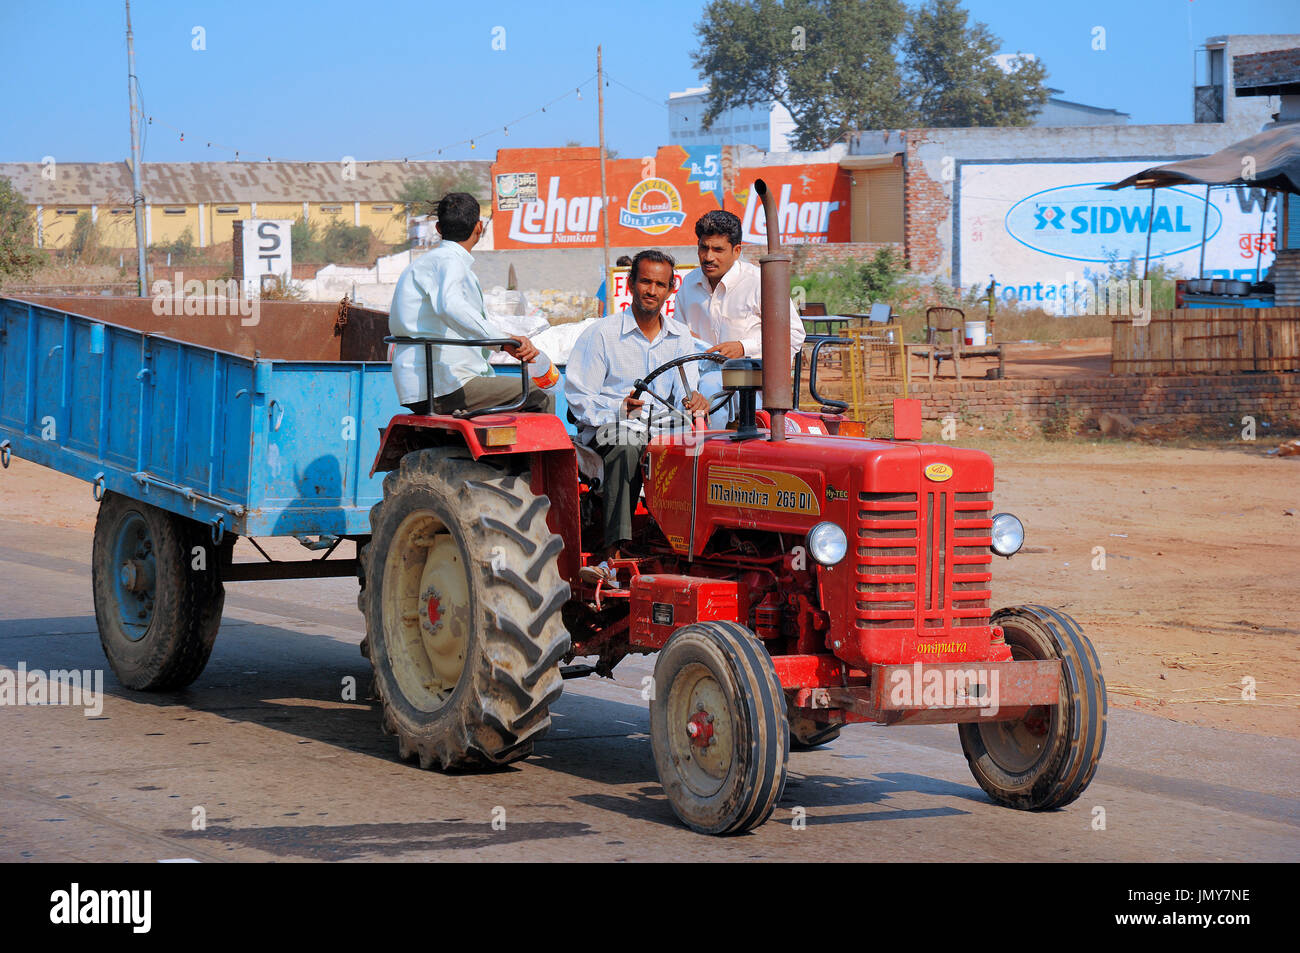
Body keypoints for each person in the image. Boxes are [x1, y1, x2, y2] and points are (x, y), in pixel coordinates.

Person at [566, 250, 709, 583]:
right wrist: (618, 408)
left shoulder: (680, 336)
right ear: (631, 284)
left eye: (660, 284)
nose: (651, 290)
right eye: (645, 281)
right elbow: (578, 399)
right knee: (628, 440)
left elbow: (687, 391)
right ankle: (612, 554)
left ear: (671, 289)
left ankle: (690, 547)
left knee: (710, 449)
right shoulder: (602, 334)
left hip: (661, 430)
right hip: (607, 430)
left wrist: (696, 400)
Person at [388, 192, 553, 416]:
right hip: (446, 385)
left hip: (427, 382)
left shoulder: (428, 263)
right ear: (479, 227)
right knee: (538, 394)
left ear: (438, 229)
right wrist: (502, 342)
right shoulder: (449, 262)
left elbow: (458, 314)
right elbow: (451, 306)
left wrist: (501, 339)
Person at [675, 208, 805, 363]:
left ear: (736, 251)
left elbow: (794, 334)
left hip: (750, 380)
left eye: (718, 250)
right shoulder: (689, 284)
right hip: (698, 379)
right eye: (704, 248)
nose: (708, 257)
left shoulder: (759, 282)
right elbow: (677, 334)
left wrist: (743, 347)